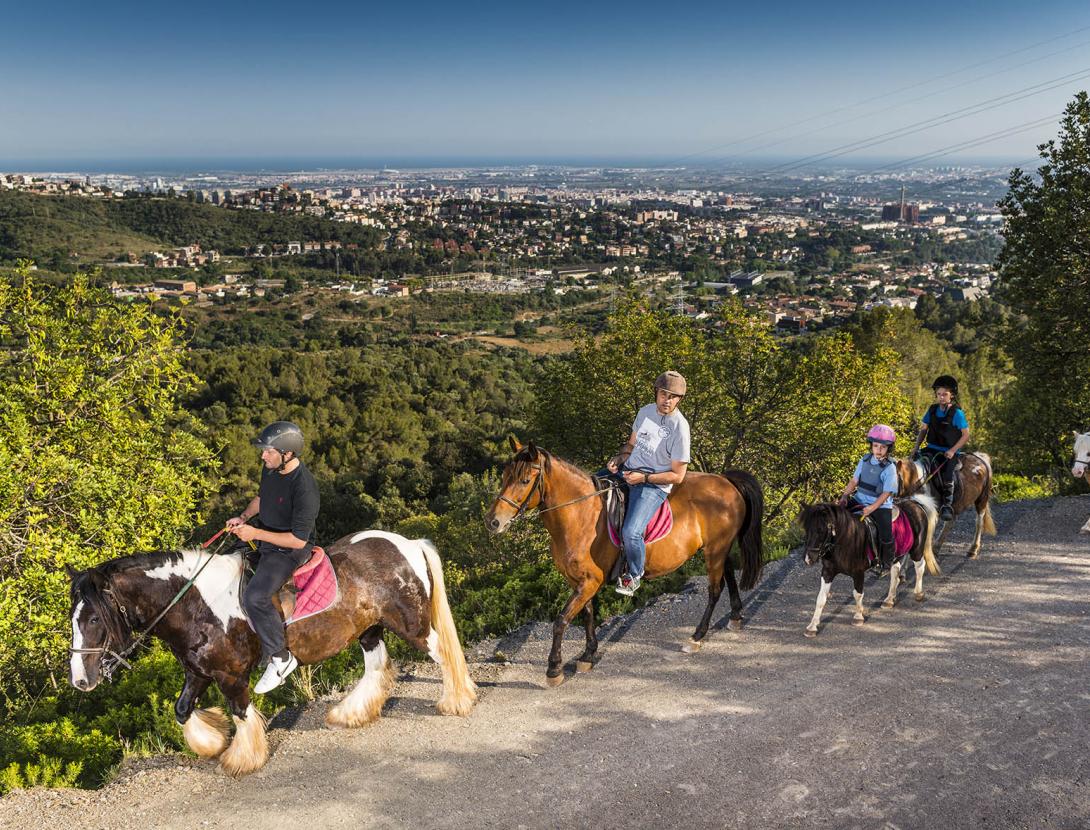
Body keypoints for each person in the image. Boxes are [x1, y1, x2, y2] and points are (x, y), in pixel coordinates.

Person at [228, 421, 320, 693]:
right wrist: (244, 517)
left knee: (255, 596)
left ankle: (280, 658)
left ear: (287, 454)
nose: (263, 456)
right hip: (265, 536)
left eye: (268, 451)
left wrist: (255, 533)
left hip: (288, 549)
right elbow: (261, 498)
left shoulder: (304, 488)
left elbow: (298, 540)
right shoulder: (271, 468)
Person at [606, 371, 691, 596]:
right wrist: (619, 458)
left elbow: (678, 476)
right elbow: (631, 445)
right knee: (590, 486)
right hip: (628, 471)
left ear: (679, 399)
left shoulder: (680, 428)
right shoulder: (645, 412)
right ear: (656, 393)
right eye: (663, 394)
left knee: (631, 532)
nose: (667, 400)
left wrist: (643, 478)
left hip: (652, 485)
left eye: (673, 397)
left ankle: (634, 574)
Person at [839, 424, 898, 572]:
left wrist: (872, 508)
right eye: (876, 445)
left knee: (886, 534)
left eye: (883, 447)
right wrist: (845, 496)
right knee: (837, 515)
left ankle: (886, 562)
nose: (879, 449)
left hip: (880, 505)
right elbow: (854, 481)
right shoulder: (864, 460)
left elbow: (886, 493)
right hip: (859, 499)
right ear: (871, 445)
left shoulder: (890, 467)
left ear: (888, 448)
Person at [913, 375, 969, 521]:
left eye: (945, 394)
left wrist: (952, 450)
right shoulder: (932, 410)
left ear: (952, 395)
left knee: (947, 474)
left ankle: (947, 505)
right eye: (939, 394)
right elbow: (923, 430)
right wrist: (916, 448)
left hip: (948, 451)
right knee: (913, 465)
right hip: (931, 448)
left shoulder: (957, 413)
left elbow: (965, 435)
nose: (941, 397)